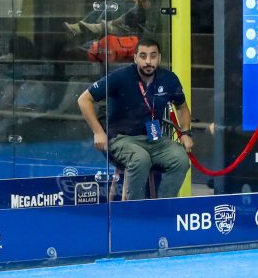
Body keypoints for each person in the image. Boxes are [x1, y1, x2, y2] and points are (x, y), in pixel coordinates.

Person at [79, 37, 192, 200]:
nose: (148, 61)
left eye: (153, 56)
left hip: (154, 140)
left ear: (159, 58)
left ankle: (164, 205)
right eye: (143, 56)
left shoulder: (169, 79)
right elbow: (84, 99)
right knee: (140, 159)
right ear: (135, 58)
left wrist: (185, 133)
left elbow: (181, 107)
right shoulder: (119, 77)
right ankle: (135, 208)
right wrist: (98, 132)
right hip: (120, 139)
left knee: (181, 159)